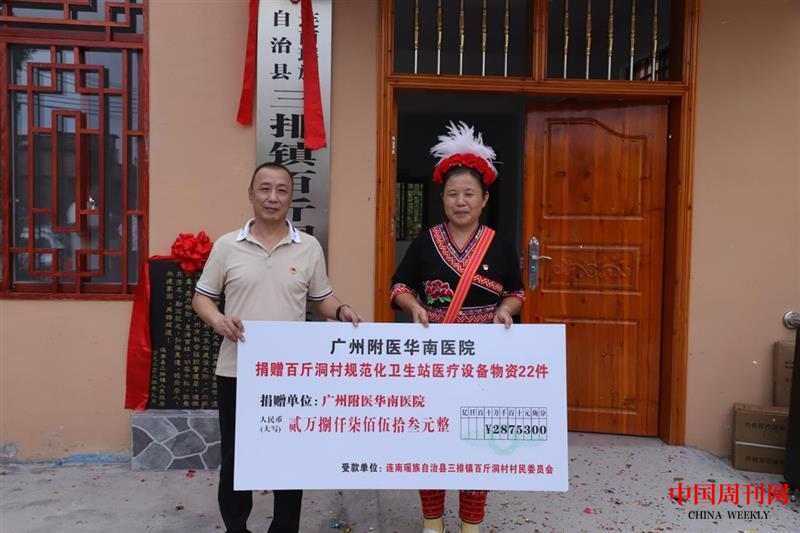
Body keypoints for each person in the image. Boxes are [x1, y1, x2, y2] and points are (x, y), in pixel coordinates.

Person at [192, 162, 364, 533]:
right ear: (251, 194)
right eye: (265, 188)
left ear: (291, 197)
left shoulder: (308, 248)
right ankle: (236, 527)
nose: (273, 197)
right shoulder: (227, 246)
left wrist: (342, 310)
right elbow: (202, 298)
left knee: (289, 457)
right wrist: (219, 321)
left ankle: (284, 527)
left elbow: (321, 298)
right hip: (238, 370)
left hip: (290, 373)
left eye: (282, 190)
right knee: (236, 457)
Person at [390, 123, 525, 533]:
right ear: (442, 198)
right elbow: (399, 286)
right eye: (452, 194)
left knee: (476, 441)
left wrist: (505, 310)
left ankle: (471, 524)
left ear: (484, 199)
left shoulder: (500, 246)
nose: (460, 202)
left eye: (469, 194)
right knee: (431, 440)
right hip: (433, 360)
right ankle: (432, 521)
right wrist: (414, 306)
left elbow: (516, 292)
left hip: (483, 362)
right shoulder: (425, 242)